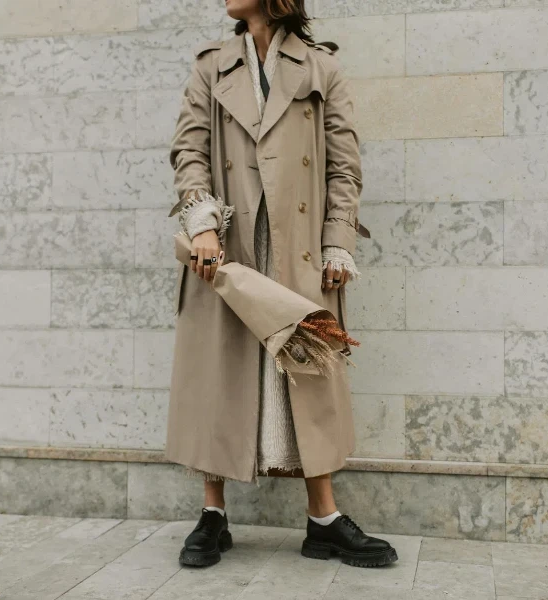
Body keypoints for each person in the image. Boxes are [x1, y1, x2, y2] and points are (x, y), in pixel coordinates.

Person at [165, 0, 397, 569]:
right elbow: (188, 150)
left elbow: (344, 165)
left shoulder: (321, 69)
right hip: (227, 242)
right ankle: (212, 516)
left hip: (297, 247)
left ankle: (323, 519)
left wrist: (337, 240)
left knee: (306, 368)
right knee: (221, 375)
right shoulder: (212, 65)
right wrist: (200, 222)